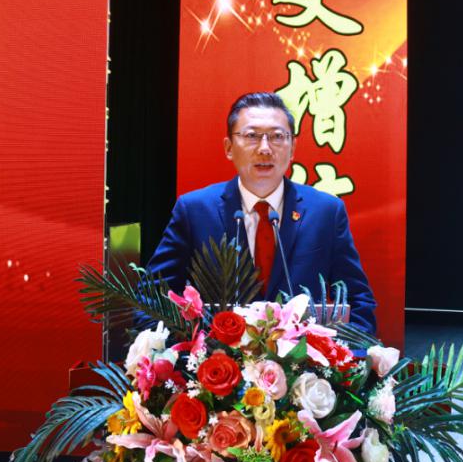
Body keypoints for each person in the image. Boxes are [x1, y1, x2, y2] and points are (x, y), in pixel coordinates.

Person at [146, 92, 376, 334]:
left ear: (293, 148)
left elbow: (358, 301)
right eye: (251, 136)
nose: (265, 148)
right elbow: (150, 298)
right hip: (216, 355)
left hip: (303, 357)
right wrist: (173, 351)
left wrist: (344, 353)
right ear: (229, 148)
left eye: (277, 137)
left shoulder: (326, 212)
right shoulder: (195, 210)